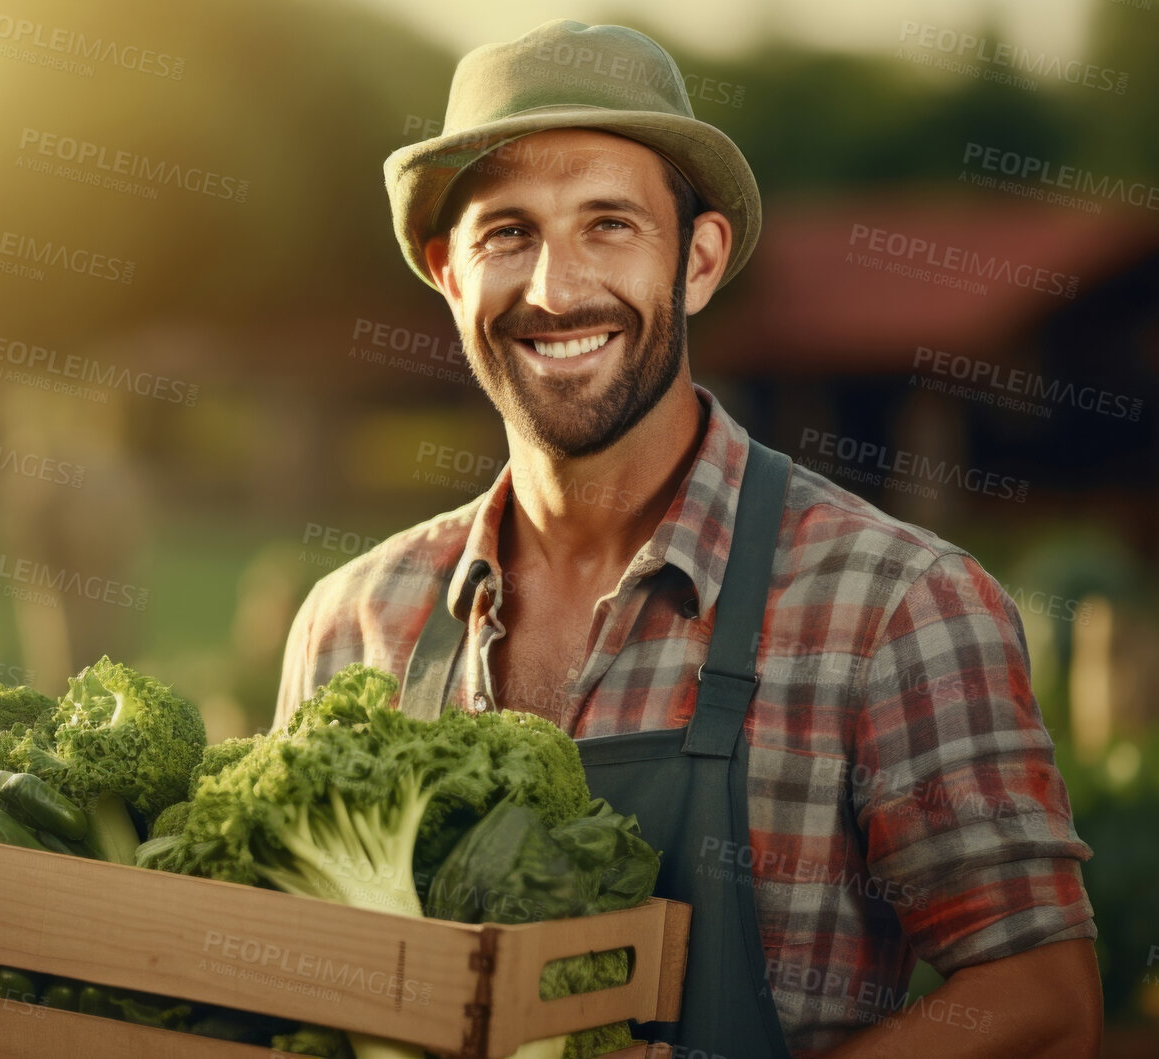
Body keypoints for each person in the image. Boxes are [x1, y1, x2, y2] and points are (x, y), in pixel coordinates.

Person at [277, 18, 1101, 1057]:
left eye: (608, 225)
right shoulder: (355, 620)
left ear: (698, 261)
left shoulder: (894, 605)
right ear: (448, 274)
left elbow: (1041, 1002)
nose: (554, 290)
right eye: (507, 234)